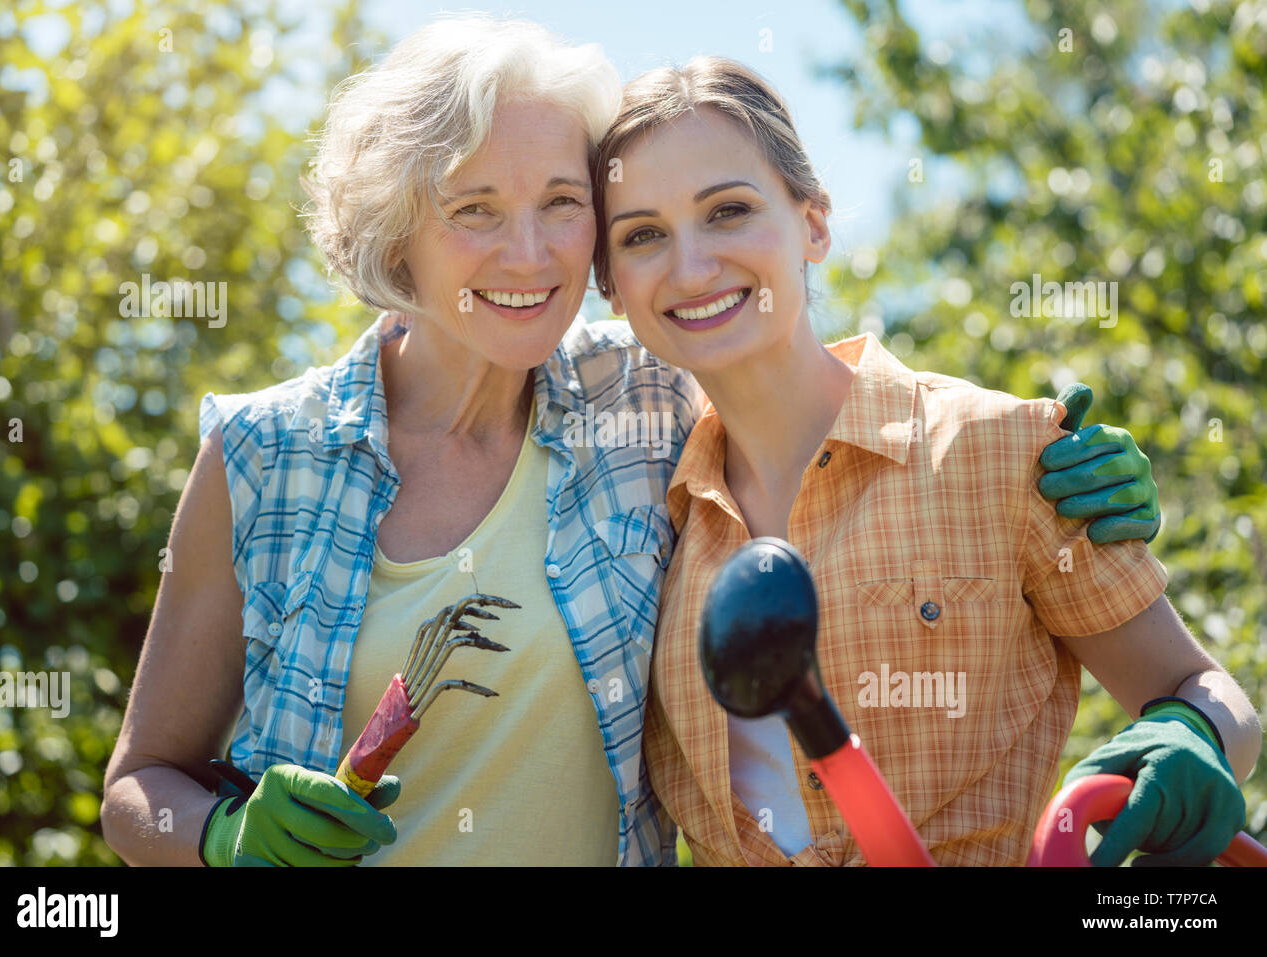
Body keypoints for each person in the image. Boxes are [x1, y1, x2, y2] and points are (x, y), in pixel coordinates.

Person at [100, 16, 1163, 868]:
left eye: (562, 203)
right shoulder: (261, 457)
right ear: (396, 234)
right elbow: (138, 784)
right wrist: (220, 838)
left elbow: (809, 381)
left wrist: (1053, 465)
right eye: (475, 208)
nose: (528, 252)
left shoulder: (643, 394)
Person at [592, 56, 1259, 866]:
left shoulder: (1001, 450)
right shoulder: (642, 528)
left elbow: (1204, 689)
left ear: (814, 224)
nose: (691, 266)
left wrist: (1191, 734)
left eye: (728, 211)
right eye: (643, 235)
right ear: (611, 284)